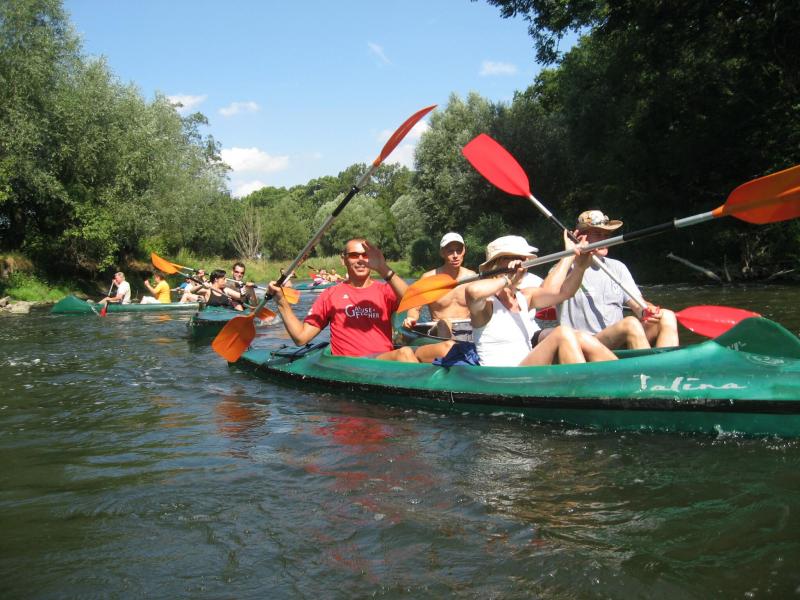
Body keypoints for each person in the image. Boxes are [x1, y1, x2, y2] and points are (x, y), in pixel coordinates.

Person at [268, 238, 454, 362]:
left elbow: (414, 300)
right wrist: (282, 303)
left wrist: (383, 268)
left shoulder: (385, 291)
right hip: (356, 364)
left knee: (447, 347)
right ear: (343, 260)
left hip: (385, 358)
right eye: (353, 255)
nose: (360, 260)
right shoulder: (330, 295)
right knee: (404, 354)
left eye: (365, 255)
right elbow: (301, 338)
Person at [466, 235, 617, 366]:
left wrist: (578, 265)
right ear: (495, 264)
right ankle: (586, 386)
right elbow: (473, 292)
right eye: (515, 258)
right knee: (562, 333)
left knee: (579, 336)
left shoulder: (525, 297)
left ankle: (625, 376)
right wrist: (507, 279)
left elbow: (563, 292)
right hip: (501, 379)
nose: (522, 263)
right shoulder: (486, 304)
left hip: (528, 371)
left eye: (523, 258)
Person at [558, 210, 679, 349]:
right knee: (630, 324)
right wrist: (570, 255)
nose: (604, 240)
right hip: (585, 344)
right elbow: (547, 293)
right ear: (579, 236)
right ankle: (647, 363)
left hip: (618, 338)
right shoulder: (564, 268)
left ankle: (667, 362)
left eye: (606, 235)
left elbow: (637, 304)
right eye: (598, 234)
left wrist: (646, 309)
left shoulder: (617, 267)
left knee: (667, 316)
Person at [403, 232, 477, 340]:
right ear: (442, 253)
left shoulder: (472, 277)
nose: (455, 255)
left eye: (458, 250)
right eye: (450, 251)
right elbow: (415, 308)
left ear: (464, 251)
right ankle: (448, 347)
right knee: (444, 323)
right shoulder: (428, 278)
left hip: (468, 329)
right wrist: (411, 318)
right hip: (439, 330)